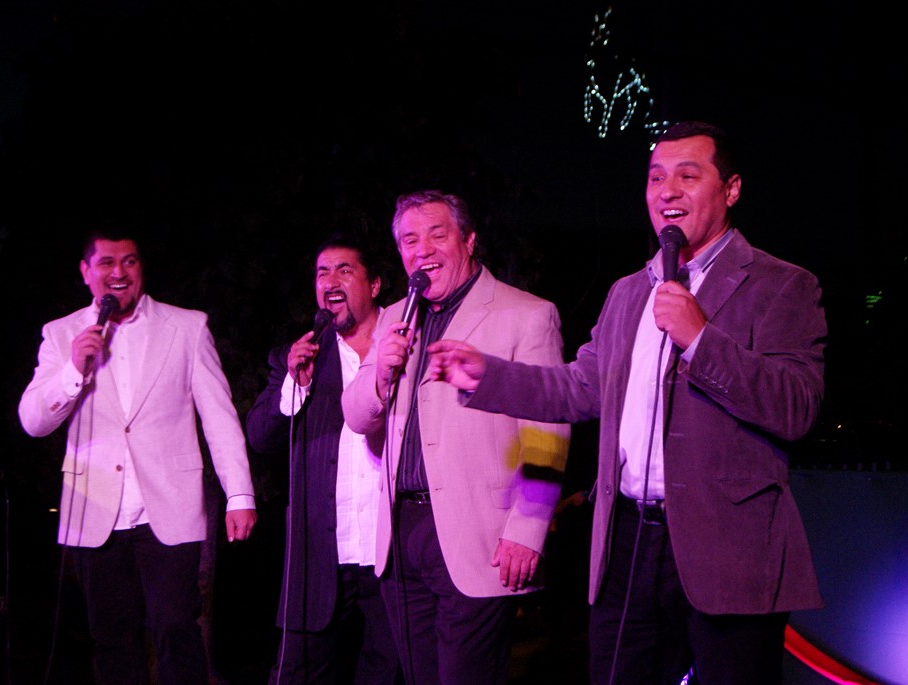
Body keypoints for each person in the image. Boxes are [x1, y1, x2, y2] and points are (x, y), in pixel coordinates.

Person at [427, 121, 826, 685]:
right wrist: (490, 376)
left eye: (688, 176)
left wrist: (701, 339)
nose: (668, 191)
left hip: (729, 552)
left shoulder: (780, 285)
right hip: (628, 543)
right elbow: (578, 388)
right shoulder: (628, 292)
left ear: (731, 189)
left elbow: (796, 407)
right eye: (656, 177)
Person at [341, 190, 570, 685]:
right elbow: (355, 416)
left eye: (436, 235)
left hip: (481, 534)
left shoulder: (526, 314)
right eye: (409, 240)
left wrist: (527, 528)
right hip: (402, 534)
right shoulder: (395, 318)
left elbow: (548, 432)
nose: (422, 250)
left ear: (468, 240)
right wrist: (380, 374)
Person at [18, 227, 257, 685]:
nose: (119, 272)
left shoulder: (187, 327)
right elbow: (33, 421)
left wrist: (239, 495)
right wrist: (73, 369)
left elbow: (219, 416)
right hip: (95, 510)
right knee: (112, 640)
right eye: (106, 263)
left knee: (175, 628)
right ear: (86, 272)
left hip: (169, 506)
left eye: (129, 261)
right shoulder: (62, 334)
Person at [246, 234, 401, 685]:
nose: (330, 281)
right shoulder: (300, 357)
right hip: (319, 561)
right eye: (322, 272)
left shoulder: (402, 348)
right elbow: (260, 437)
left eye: (344, 270)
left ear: (374, 284)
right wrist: (294, 385)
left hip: (390, 554)